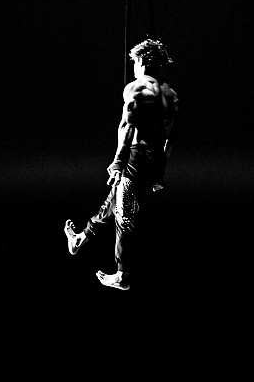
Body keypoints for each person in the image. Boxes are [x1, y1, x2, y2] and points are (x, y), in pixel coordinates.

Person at [64, 38, 178, 290]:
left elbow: (127, 126)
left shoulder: (136, 89)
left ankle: (122, 274)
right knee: (117, 199)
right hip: (154, 157)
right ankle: (80, 238)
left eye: (134, 62)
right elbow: (170, 137)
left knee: (124, 213)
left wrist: (118, 161)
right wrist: (160, 170)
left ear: (141, 61)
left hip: (136, 155)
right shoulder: (170, 94)